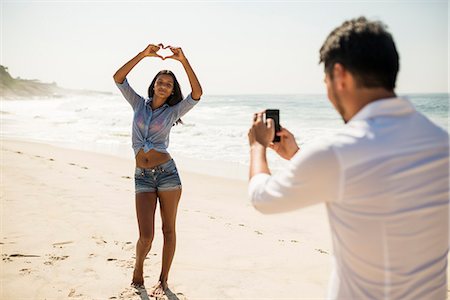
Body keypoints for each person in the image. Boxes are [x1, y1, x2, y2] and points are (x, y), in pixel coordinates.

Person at [248, 17, 449, 299]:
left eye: (326, 81)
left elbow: (262, 198)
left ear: (339, 75)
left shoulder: (338, 151)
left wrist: (257, 146)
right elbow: (372, 183)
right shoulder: (441, 141)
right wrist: (295, 154)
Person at [113, 43, 202, 297]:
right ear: (153, 85)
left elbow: (196, 93)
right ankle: (138, 268)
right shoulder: (138, 104)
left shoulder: (174, 111)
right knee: (146, 235)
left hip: (167, 174)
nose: (163, 86)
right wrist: (143, 54)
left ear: (172, 90)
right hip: (142, 177)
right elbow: (119, 78)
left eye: (169, 84)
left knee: (169, 230)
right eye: (160, 82)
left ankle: (163, 280)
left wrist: (183, 60)